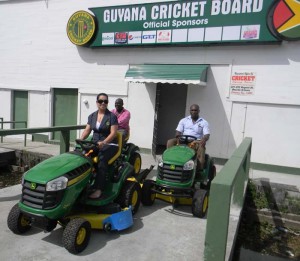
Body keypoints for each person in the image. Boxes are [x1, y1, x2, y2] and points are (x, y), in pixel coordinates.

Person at [80, 93, 118, 199]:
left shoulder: (112, 116)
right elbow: (87, 130)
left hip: (110, 144)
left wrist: (104, 142)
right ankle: (83, 183)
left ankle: (99, 189)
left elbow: (113, 133)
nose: (103, 103)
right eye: (101, 101)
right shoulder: (92, 116)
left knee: (102, 158)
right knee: (82, 156)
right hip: (95, 143)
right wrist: (81, 139)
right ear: (97, 102)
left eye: (105, 101)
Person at [166, 104, 210, 170]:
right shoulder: (183, 120)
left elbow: (207, 134)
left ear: (198, 111)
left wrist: (204, 139)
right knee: (170, 142)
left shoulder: (204, 122)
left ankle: (199, 169)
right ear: (190, 111)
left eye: (195, 110)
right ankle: (169, 160)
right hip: (183, 139)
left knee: (202, 147)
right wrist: (178, 136)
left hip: (196, 141)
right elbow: (178, 131)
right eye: (192, 110)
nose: (194, 112)